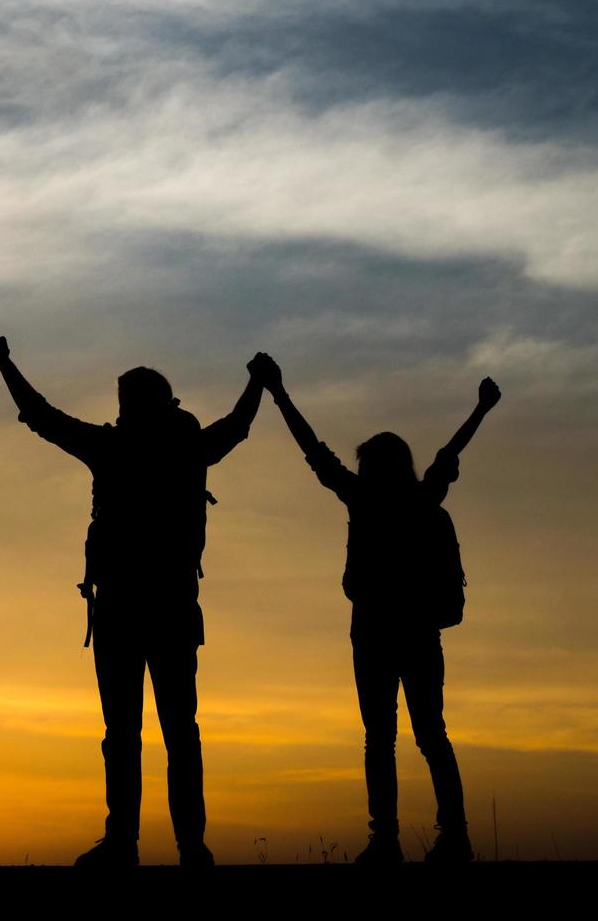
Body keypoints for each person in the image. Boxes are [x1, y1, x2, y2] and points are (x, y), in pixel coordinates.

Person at [0, 336, 269, 868]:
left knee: (134, 732)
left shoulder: (116, 448)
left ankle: (134, 843)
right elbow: (237, 425)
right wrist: (258, 382)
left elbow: (43, 417)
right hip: (164, 607)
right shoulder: (186, 449)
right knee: (168, 731)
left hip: (131, 608)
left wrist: (6, 365)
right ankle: (178, 844)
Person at [248, 353, 500, 865]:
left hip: (377, 633)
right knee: (429, 735)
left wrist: (278, 394)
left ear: (369, 466)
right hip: (416, 634)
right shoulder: (422, 499)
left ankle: (391, 839)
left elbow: (313, 449)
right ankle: (450, 837)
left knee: (383, 739)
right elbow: (449, 453)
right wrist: (481, 409)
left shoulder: (362, 498)